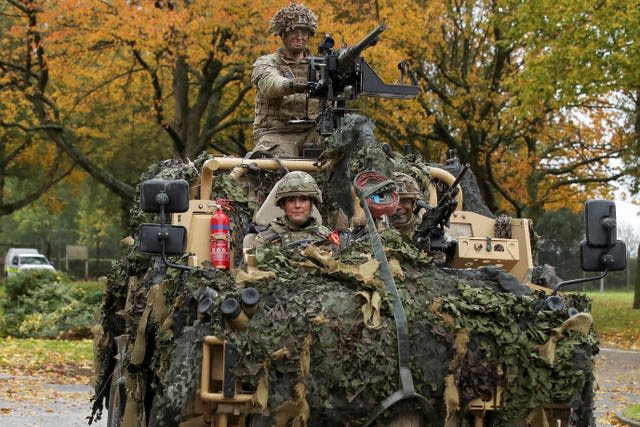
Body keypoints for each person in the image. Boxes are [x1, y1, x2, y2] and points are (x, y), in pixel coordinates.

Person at [251, 2, 323, 158]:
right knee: (279, 167)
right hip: (276, 133)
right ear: (282, 34)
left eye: (305, 32)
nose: (300, 37)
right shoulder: (267, 63)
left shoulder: (320, 66)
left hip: (313, 132)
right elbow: (271, 84)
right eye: (294, 31)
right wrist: (293, 84)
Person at [253, 171, 331, 248]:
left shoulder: (327, 236)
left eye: (303, 199)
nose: (297, 205)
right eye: (291, 200)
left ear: (311, 203)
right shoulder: (265, 240)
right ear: (283, 205)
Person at [390, 172, 423, 240]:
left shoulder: (425, 227)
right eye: (392, 201)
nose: (397, 207)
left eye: (403, 201)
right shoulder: (373, 227)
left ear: (413, 204)